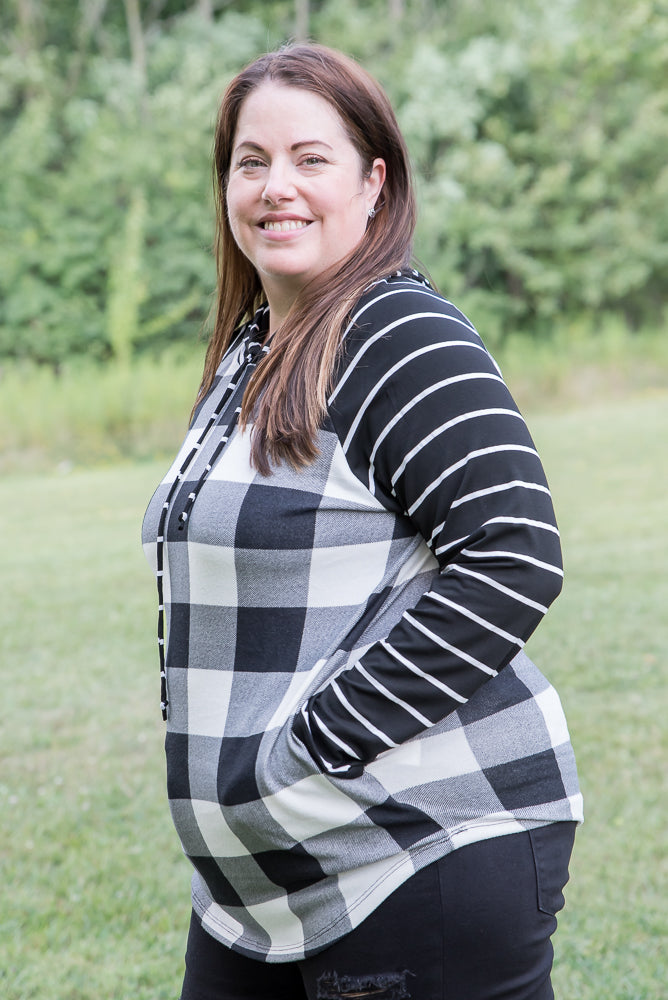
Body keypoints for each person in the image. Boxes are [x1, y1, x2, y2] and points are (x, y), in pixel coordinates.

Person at [142, 42, 583, 1000]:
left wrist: (309, 749)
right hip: (260, 892)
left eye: (311, 158)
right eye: (250, 161)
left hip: (411, 856)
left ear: (374, 182)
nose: (275, 186)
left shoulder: (396, 334)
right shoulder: (254, 351)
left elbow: (514, 552)